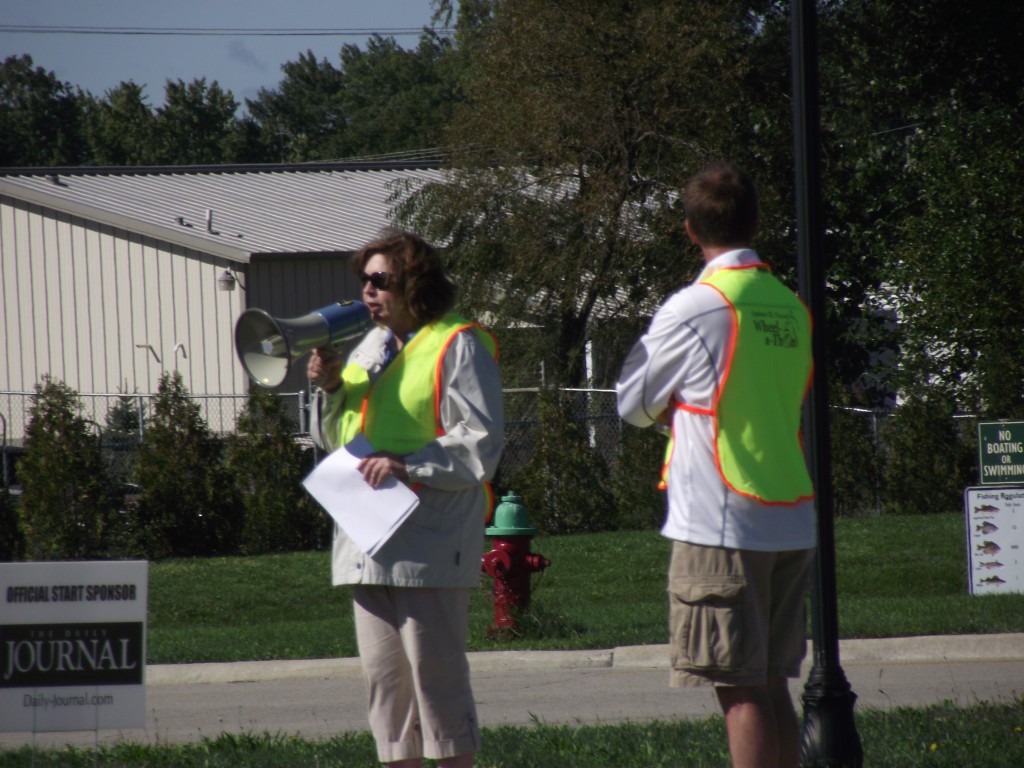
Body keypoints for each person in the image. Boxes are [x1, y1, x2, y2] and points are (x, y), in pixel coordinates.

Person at [615, 162, 816, 768]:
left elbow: (631, 402)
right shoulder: (790, 306)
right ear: (755, 221)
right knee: (773, 680)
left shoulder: (695, 307)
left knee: (738, 688)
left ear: (689, 229)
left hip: (721, 520)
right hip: (788, 512)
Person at [307, 230, 503, 768]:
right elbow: (338, 440)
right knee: (386, 691)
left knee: (436, 686)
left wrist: (409, 464)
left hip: (429, 544)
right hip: (365, 541)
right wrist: (329, 391)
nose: (367, 292)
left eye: (380, 281)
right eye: (363, 281)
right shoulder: (368, 347)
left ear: (414, 284)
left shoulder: (457, 343)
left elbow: (481, 445)